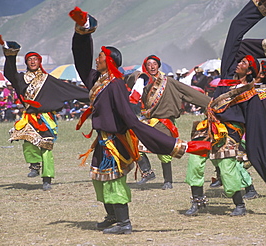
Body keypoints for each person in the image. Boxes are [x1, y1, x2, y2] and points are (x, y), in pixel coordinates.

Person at [69, 7, 210, 234]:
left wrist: (172, 144)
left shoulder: (115, 85)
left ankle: (124, 223)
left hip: (115, 141)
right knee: (99, 179)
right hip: (102, 139)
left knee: (113, 181)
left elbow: (129, 118)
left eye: (101, 57)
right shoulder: (97, 79)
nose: (96, 59)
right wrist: (83, 32)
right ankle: (112, 215)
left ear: (110, 61)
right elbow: (81, 60)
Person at [185, 0, 266, 217]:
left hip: (230, 130)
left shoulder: (252, 93)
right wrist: (262, 7)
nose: (238, 63)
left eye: (244, 62)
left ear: (250, 71)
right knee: (194, 160)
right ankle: (197, 201)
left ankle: (239, 204)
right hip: (209, 125)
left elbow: (259, 124)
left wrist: (258, 151)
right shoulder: (227, 72)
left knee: (226, 164)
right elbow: (235, 30)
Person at [0, 30, 90, 190]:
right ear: (26, 62)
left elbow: (68, 89)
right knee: (27, 142)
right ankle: (34, 165)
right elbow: (9, 73)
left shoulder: (47, 79)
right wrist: (10, 56)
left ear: (39, 62)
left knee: (46, 147)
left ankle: (47, 179)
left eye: (35, 59)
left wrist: (92, 95)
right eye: (29, 59)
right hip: (29, 117)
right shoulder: (20, 78)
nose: (32, 62)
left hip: (46, 118)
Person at [129, 54, 211, 190]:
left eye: (154, 63)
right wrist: (140, 77)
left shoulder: (169, 82)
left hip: (165, 122)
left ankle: (168, 180)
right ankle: (147, 172)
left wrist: (211, 103)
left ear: (158, 66)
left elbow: (189, 93)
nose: (152, 66)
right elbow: (131, 78)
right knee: (134, 141)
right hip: (148, 121)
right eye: (149, 64)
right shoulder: (143, 81)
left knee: (164, 151)